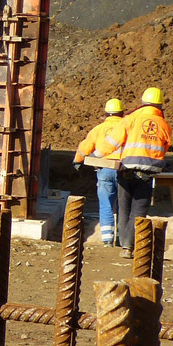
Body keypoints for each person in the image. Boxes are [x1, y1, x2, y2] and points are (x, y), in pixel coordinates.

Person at [116, 87, 172, 257]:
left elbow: (113, 140)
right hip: (147, 174)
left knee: (123, 207)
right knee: (138, 211)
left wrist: (100, 155)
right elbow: (165, 147)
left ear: (142, 103)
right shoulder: (164, 125)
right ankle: (128, 246)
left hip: (126, 170)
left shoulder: (130, 119)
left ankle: (123, 243)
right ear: (160, 106)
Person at [73, 98, 127, 245]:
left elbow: (85, 148)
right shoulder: (127, 128)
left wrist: (77, 160)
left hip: (104, 170)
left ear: (107, 113)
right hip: (125, 171)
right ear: (122, 112)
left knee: (106, 205)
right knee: (124, 206)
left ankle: (107, 239)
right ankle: (123, 240)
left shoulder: (98, 129)